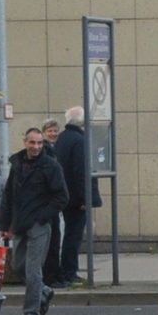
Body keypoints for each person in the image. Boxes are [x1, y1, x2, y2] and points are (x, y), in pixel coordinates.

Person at [2, 127, 68, 315]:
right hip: (21, 223)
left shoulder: (51, 166)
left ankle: (32, 314)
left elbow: (62, 197)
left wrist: (42, 216)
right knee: (17, 266)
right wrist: (5, 224)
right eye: (32, 142)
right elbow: (8, 196)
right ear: (25, 142)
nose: (36, 147)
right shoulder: (17, 164)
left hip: (38, 225)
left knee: (32, 270)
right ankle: (44, 291)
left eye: (39, 143)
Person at [51, 107, 98, 287]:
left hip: (64, 194)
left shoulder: (63, 138)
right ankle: (69, 271)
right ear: (83, 123)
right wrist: (86, 198)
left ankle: (66, 270)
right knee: (74, 235)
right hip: (76, 198)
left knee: (68, 233)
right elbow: (81, 172)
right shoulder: (80, 140)